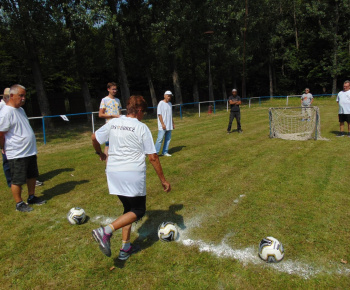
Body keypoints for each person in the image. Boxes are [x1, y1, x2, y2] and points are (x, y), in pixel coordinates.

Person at [91, 95, 171, 260]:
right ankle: (105, 231)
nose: (144, 116)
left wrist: (99, 153)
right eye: (144, 112)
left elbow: (94, 138)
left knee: (129, 209)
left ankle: (125, 248)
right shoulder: (141, 127)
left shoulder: (114, 122)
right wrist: (163, 180)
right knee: (139, 210)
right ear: (140, 111)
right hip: (131, 173)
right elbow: (153, 157)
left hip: (113, 173)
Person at [0, 84, 46, 212]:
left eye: (24, 95)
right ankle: (19, 203)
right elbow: (1, 133)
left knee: (32, 175)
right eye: (21, 95)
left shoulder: (20, 110)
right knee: (18, 179)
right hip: (17, 152)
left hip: (29, 150)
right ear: (12, 95)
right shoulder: (5, 113)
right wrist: (2, 147)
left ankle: (31, 196)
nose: (23, 98)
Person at [99, 82, 122, 157]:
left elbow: (120, 113)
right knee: (108, 145)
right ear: (108, 89)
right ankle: (107, 166)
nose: (115, 91)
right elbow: (100, 114)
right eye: (113, 89)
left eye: (116, 89)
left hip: (118, 126)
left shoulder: (118, 100)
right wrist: (112, 116)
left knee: (118, 145)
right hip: (109, 126)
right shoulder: (104, 100)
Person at [154, 90, 175, 156]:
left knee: (168, 139)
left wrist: (173, 123)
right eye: (168, 96)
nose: (169, 97)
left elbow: (170, 115)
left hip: (169, 125)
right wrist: (162, 124)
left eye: (170, 96)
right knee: (160, 139)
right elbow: (159, 114)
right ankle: (155, 153)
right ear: (164, 96)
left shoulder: (170, 104)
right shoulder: (161, 103)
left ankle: (165, 152)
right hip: (162, 125)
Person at [1, 88, 11, 187]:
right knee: (6, 160)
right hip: (3, 137)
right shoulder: (1, 107)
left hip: (11, 137)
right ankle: (10, 181)